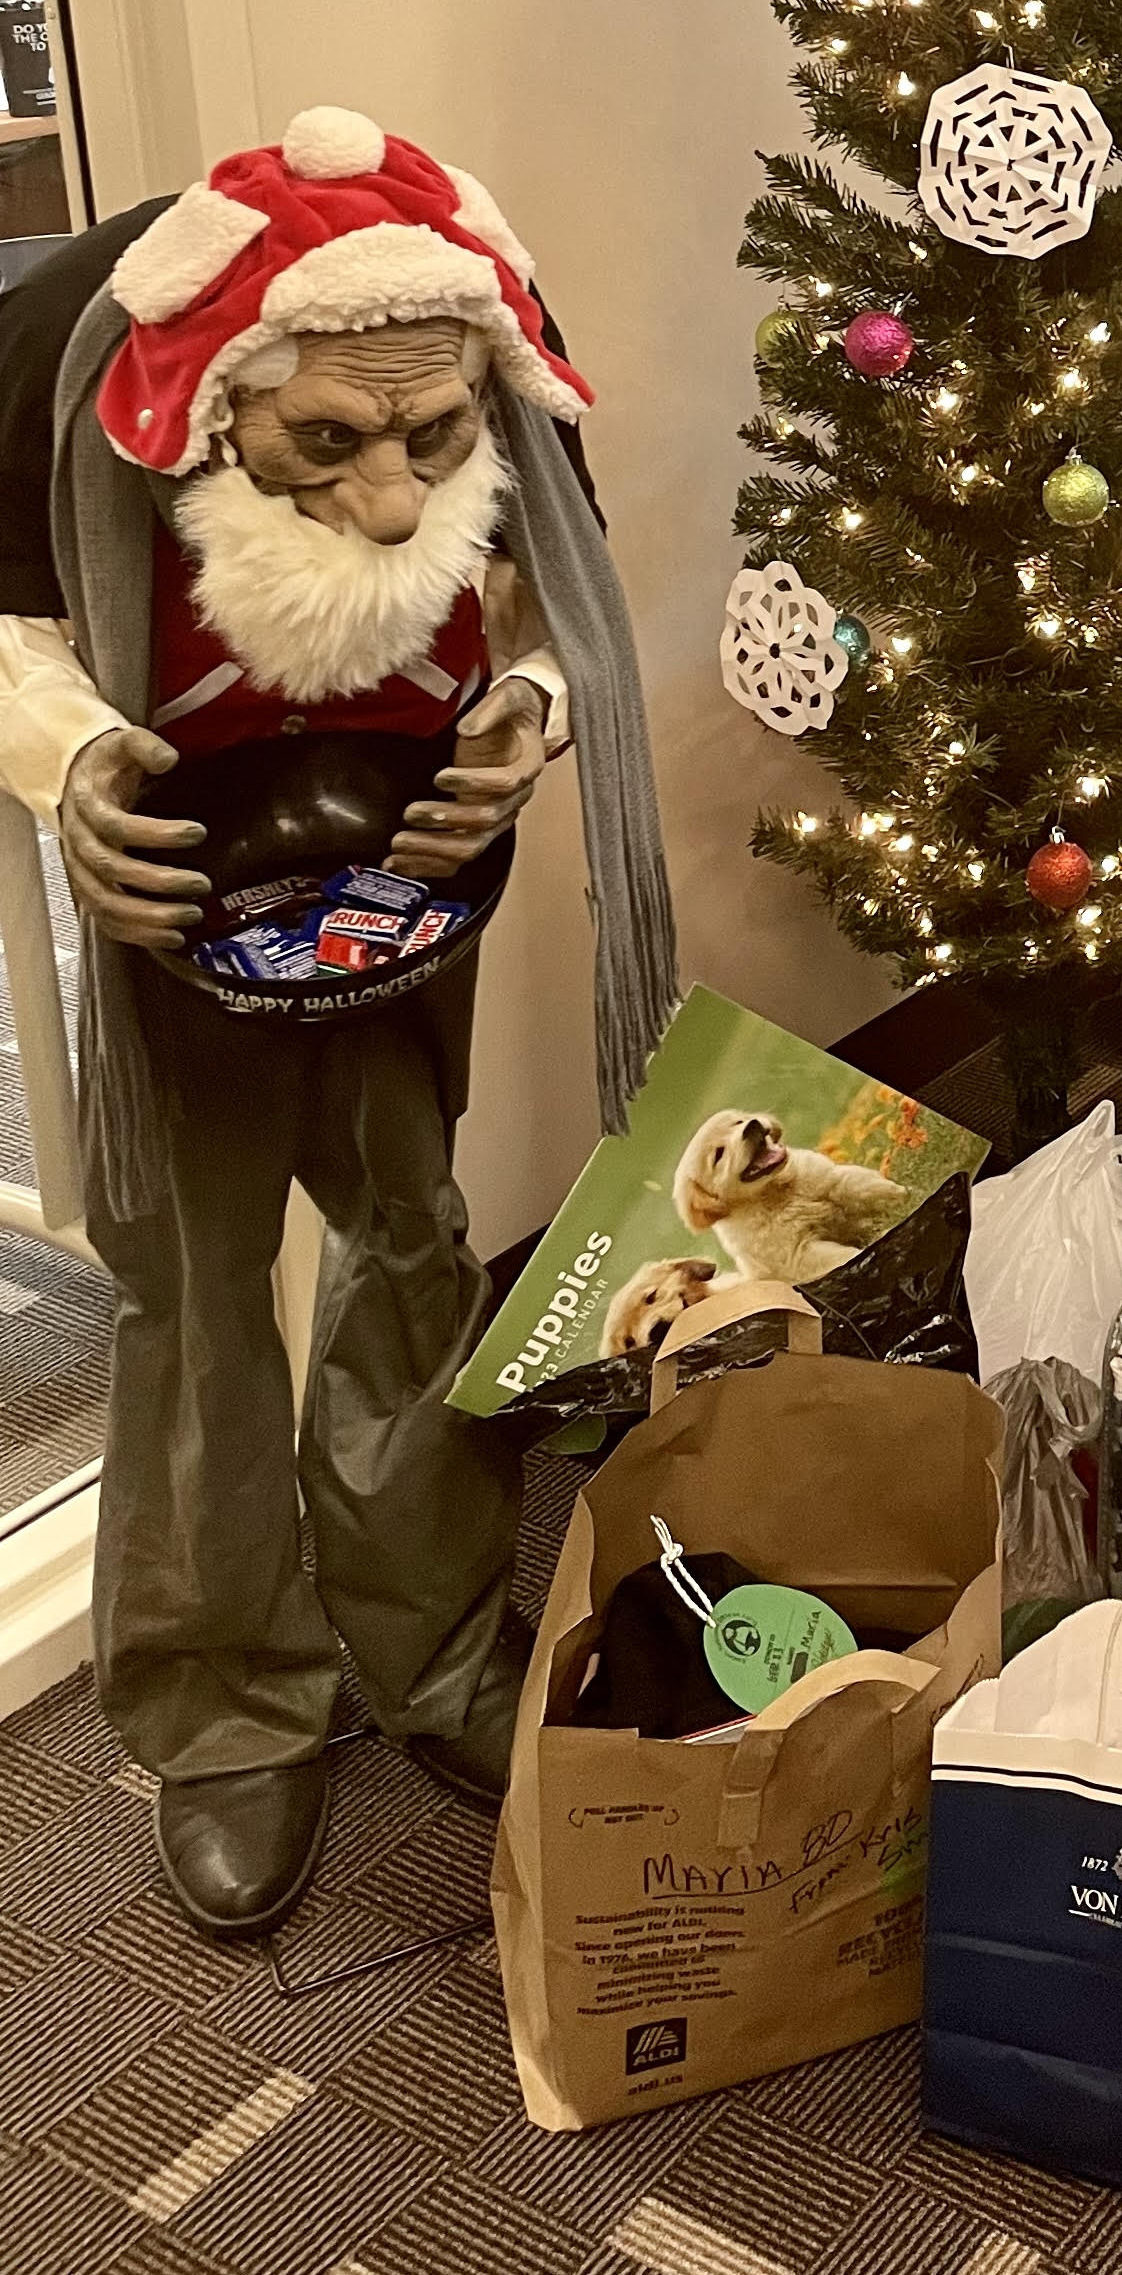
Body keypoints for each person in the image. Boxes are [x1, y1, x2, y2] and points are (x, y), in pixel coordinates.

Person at [0, 111, 677, 1936]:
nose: (390, 499)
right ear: (212, 391)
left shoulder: (480, 343)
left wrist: (529, 710)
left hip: (402, 892)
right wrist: (69, 768)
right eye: (326, 443)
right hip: (177, 902)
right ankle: (227, 1706)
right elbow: (0, 618)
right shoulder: (63, 356)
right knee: (195, 1288)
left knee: (409, 1237)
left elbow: (554, 598)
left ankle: (437, 1644)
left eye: (430, 438)